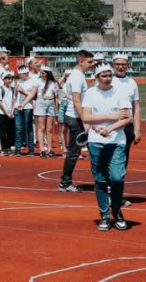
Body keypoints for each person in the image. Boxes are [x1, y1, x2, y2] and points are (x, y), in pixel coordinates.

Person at [81, 64, 132, 231]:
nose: (108, 78)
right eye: (104, 75)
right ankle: (104, 215)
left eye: (110, 75)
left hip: (117, 140)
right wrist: (111, 116)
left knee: (117, 178)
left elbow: (127, 118)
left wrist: (110, 128)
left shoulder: (120, 92)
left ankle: (116, 211)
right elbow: (86, 117)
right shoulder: (91, 93)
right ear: (97, 77)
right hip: (96, 141)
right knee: (100, 179)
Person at [59, 49, 97, 193]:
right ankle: (65, 183)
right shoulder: (76, 77)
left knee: (82, 150)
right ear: (81, 61)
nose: (92, 64)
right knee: (74, 152)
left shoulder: (79, 75)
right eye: (90, 62)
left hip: (77, 117)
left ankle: (99, 181)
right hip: (75, 118)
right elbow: (76, 101)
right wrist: (85, 120)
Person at [110, 53, 141, 208]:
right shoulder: (108, 80)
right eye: (118, 64)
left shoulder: (132, 83)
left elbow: (136, 107)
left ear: (128, 65)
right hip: (111, 125)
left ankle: (117, 195)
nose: (120, 67)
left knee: (122, 162)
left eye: (123, 64)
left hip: (127, 127)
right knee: (108, 161)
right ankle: (107, 194)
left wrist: (137, 129)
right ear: (113, 65)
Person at [35, 67, 59, 158]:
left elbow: (56, 97)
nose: (41, 75)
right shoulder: (38, 81)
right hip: (41, 102)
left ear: (48, 73)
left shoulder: (54, 83)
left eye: (43, 73)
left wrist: (56, 110)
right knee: (41, 127)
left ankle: (49, 149)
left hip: (51, 103)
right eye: (41, 73)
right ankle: (42, 150)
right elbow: (33, 93)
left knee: (49, 128)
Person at [14, 66, 38, 156]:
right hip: (18, 106)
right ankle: (18, 149)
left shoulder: (33, 81)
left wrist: (23, 93)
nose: (20, 76)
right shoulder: (18, 81)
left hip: (28, 107)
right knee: (18, 128)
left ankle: (31, 149)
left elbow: (33, 96)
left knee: (28, 128)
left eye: (21, 74)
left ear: (26, 73)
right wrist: (16, 90)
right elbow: (15, 95)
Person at [0, 72, 16, 155]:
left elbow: (13, 100)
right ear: (3, 80)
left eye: (11, 79)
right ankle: (4, 148)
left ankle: (10, 147)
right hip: (3, 113)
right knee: (3, 131)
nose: (10, 80)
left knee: (11, 131)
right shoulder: (0, 89)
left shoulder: (12, 89)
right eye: (7, 79)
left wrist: (12, 110)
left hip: (11, 113)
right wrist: (6, 112)